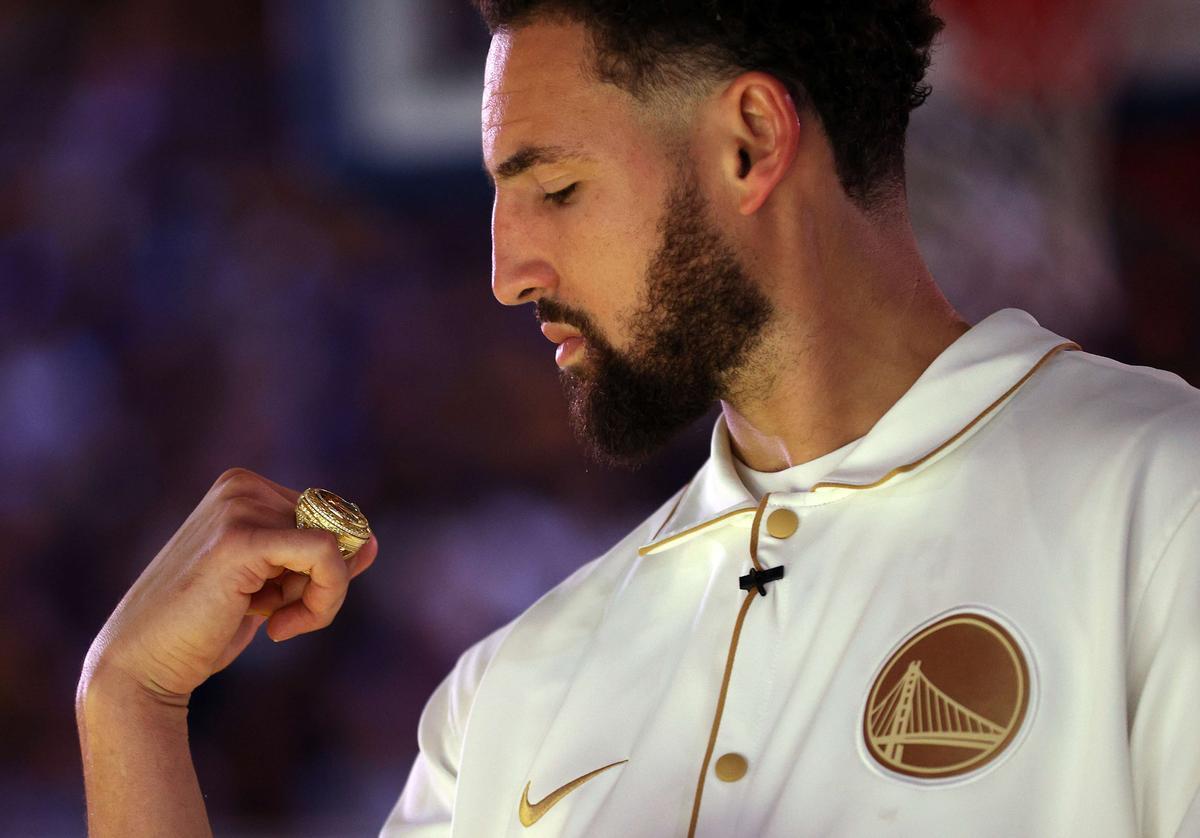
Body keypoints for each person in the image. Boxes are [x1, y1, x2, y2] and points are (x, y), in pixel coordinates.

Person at [76, 2, 1200, 836]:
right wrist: (131, 705)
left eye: (556, 190)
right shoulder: (511, 692)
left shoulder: (1162, 506)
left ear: (751, 142)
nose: (507, 273)